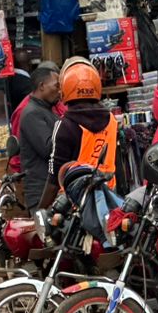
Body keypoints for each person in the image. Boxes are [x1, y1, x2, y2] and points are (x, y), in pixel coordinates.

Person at [41, 60, 117, 207]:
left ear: (65, 91)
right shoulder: (112, 121)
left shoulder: (65, 125)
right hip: (108, 200)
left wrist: (40, 212)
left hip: (73, 206)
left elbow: (53, 179)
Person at [17, 67, 62, 210]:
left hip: (51, 189)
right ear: (42, 86)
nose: (60, 91)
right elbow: (49, 148)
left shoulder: (46, 111)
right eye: (57, 85)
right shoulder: (32, 114)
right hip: (41, 193)